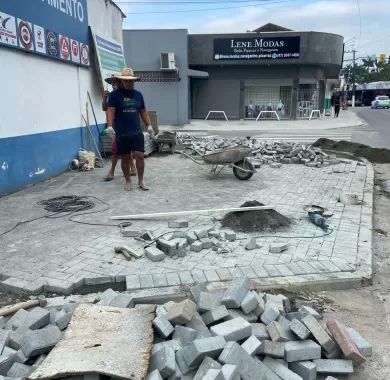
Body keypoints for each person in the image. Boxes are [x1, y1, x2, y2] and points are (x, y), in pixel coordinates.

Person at [106, 68, 154, 191]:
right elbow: (110, 110)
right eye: (126, 81)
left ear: (134, 82)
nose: (129, 83)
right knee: (125, 158)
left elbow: (143, 111)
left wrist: (149, 125)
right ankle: (127, 181)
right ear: (121, 81)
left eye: (131, 81)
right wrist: (110, 126)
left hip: (136, 132)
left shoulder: (138, 95)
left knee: (140, 155)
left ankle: (141, 181)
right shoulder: (114, 95)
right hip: (122, 133)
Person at [102, 76, 136, 181]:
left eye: (116, 82)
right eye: (113, 83)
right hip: (116, 127)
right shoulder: (111, 95)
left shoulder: (125, 95)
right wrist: (104, 98)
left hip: (126, 126)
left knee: (116, 150)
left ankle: (112, 172)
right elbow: (104, 108)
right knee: (121, 149)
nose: (114, 85)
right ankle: (133, 168)